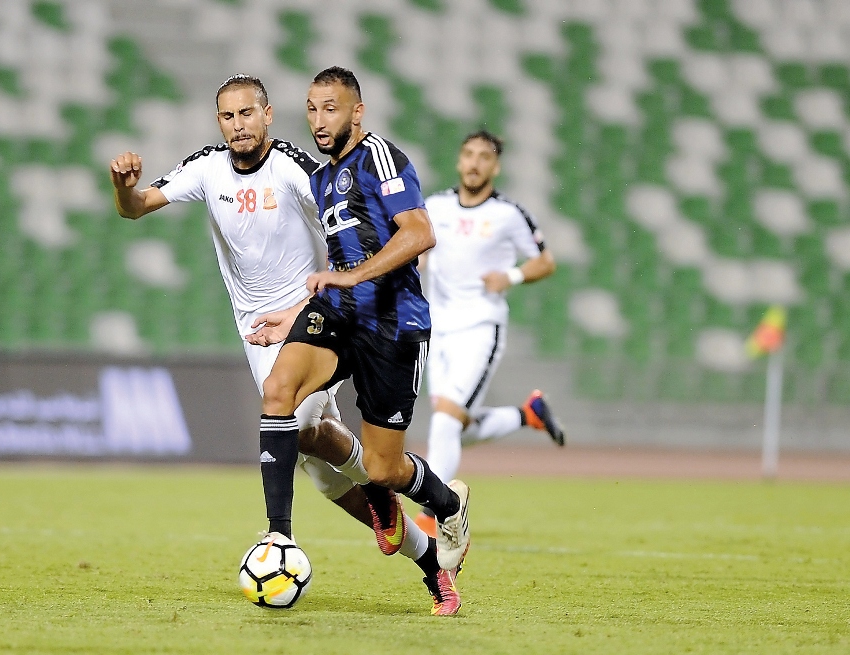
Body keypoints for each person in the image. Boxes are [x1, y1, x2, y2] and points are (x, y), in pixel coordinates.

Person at [107, 74, 440, 610]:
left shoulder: (298, 170)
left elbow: (351, 231)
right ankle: (424, 552)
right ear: (219, 122)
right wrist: (123, 186)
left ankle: (288, 531)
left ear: (267, 115)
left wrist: (330, 297)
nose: (237, 125)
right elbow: (135, 207)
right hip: (256, 334)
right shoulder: (207, 167)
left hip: (311, 321)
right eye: (227, 116)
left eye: (247, 114)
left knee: (303, 426)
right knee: (323, 474)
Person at [252, 66, 468, 615]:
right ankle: (279, 536)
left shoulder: (382, 159)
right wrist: (292, 314)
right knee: (279, 391)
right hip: (337, 314)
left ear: (357, 112)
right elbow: (339, 262)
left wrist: (353, 276)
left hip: (391, 324)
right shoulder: (324, 178)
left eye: (331, 108)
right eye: (312, 108)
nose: (319, 120)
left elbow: (420, 233)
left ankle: (446, 504)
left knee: (383, 469)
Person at [413, 130, 565, 537]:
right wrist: (419, 261)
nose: (475, 163)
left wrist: (511, 275)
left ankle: (433, 513)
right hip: (438, 328)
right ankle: (526, 414)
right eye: (468, 155)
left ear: (495, 167)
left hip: (481, 327)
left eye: (484, 156)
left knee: (445, 422)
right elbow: (418, 247)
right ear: (460, 162)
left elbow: (545, 261)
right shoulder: (436, 206)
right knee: (453, 423)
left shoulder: (508, 215)